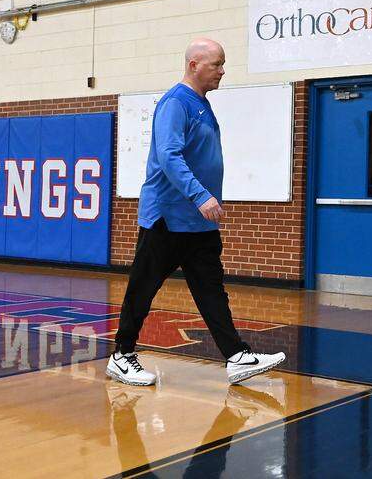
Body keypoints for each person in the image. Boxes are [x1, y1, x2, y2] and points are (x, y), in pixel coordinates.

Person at [107, 38, 286, 387]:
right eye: (216, 64)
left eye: (222, 63)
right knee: (143, 288)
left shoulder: (201, 104)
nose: (222, 70)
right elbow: (169, 156)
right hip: (168, 217)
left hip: (197, 223)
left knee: (210, 289)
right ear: (194, 65)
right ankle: (121, 355)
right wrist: (200, 195)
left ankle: (236, 355)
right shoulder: (177, 102)